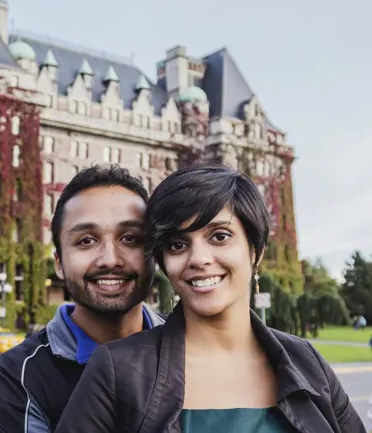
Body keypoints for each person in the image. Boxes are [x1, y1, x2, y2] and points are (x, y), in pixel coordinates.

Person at [55, 164, 366, 433]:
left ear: (254, 251)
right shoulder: (117, 369)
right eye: (177, 244)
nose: (198, 259)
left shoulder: (306, 361)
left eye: (220, 236)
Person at [0, 164, 165, 432]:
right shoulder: (17, 376)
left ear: (154, 254)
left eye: (130, 238)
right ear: (59, 263)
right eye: (86, 241)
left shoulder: (188, 347)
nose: (110, 259)